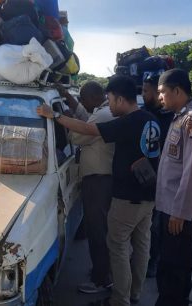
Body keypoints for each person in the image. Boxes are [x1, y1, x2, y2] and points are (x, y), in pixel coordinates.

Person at [37, 75, 160, 306]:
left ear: (121, 99)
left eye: (111, 99)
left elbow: (84, 130)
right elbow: (87, 119)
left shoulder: (124, 122)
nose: (109, 103)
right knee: (142, 244)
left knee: (117, 245)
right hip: (147, 194)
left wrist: (54, 115)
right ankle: (134, 293)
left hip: (128, 195)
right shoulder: (149, 119)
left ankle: (118, 299)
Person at [154, 69, 192, 306]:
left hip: (178, 211)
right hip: (169, 205)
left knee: (174, 266)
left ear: (177, 90)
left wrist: (180, 211)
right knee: (170, 262)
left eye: (162, 92)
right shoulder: (180, 116)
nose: (160, 97)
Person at [61, 82, 116, 294]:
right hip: (102, 179)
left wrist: (64, 118)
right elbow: (86, 118)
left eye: (84, 100)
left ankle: (101, 279)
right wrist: (69, 98)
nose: (82, 104)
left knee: (97, 231)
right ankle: (102, 272)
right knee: (100, 229)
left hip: (98, 181)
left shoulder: (102, 115)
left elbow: (77, 135)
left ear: (93, 98)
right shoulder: (102, 111)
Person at [142, 73, 175, 279]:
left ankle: (153, 261)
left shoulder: (170, 117)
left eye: (146, 91)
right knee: (144, 225)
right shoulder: (142, 113)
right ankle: (144, 259)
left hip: (162, 179)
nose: (143, 94)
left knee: (155, 226)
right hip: (144, 177)